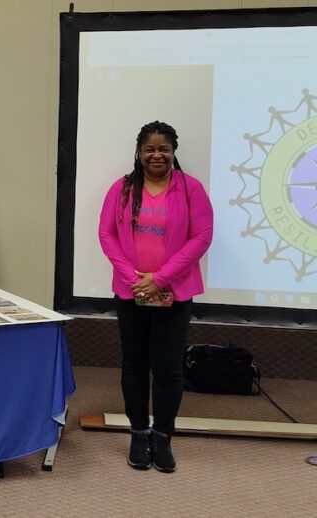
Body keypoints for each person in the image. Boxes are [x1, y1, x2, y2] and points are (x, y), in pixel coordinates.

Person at [98, 121, 213, 473]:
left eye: (164, 148)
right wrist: (135, 278)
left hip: (173, 294)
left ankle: (162, 436)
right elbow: (106, 234)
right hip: (131, 292)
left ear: (174, 151)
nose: (157, 155)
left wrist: (161, 278)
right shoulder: (122, 188)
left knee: (168, 368)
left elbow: (202, 237)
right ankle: (138, 432)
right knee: (134, 364)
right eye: (150, 148)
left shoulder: (190, 189)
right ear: (140, 152)